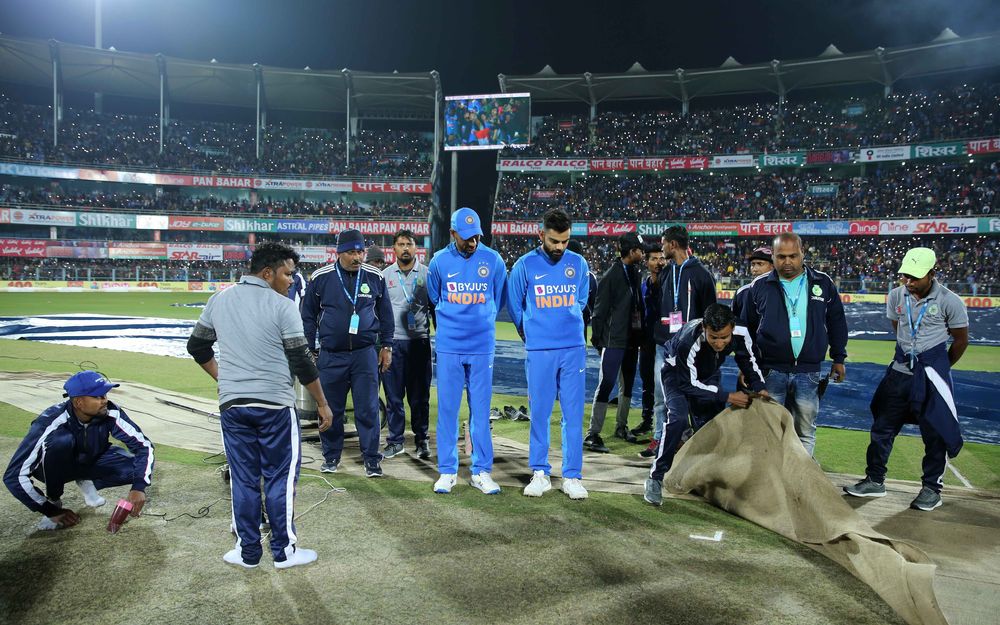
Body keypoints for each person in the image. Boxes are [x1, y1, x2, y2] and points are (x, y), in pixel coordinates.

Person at [186, 241, 333, 569]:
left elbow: (197, 346)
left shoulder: (219, 299)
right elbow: (302, 361)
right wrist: (322, 403)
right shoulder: (283, 307)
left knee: (243, 478)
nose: (292, 281)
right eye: (287, 274)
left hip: (233, 406)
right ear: (267, 273)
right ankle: (284, 552)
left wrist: (223, 379)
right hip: (275, 406)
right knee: (280, 478)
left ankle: (247, 552)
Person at [844, 248, 969, 511]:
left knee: (935, 433)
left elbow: (960, 340)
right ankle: (875, 480)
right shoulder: (896, 295)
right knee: (882, 428)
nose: (908, 282)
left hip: (931, 376)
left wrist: (937, 368)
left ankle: (931, 490)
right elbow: (898, 328)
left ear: (932, 274)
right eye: (905, 276)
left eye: (915, 277)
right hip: (899, 374)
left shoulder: (950, 300)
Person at [643, 304, 767, 506]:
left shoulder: (741, 332)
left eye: (724, 338)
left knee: (710, 427)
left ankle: (704, 477)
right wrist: (726, 396)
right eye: (714, 337)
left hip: (707, 374)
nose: (719, 343)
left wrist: (759, 385)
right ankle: (655, 478)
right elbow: (688, 384)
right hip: (676, 375)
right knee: (677, 418)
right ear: (704, 329)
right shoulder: (687, 341)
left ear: (733, 328)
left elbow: (748, 360)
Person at [739, 232, 848, 456]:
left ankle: (800, 479)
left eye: (793, 256)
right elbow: (744, 331)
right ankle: (773, 478)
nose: (787, 262)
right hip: (771, 370)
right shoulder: (758, 286)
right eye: (781, 257)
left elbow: (837, 321)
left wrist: (839, 358)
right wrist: (747, 368)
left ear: (802, 254)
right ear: (774, 257)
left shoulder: (823, 283)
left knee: (805, 430)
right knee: (769, 428)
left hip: (809, 371)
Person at [507, 209, 590, 500]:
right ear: (541, 234)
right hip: (540, 350)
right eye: (554, 241)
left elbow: (581, 300)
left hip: (573, 350)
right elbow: (515, 306)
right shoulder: (524, 265)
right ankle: (540, 473)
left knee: (572, 414)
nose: (559, 248)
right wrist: (531, 333)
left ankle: (572, 476)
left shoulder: (579, 264)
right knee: (539, 413)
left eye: (565, 241)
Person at [3, 370, 154, 531]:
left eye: (104, 395)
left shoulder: (110, 411)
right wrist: (50, 510)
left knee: (136, 469)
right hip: (53, 467)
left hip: (89, 460)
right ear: (78, 402)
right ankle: (54, 498)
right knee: (61, 441)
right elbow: (14, 476)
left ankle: (85, 479)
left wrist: (138, 487)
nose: (104, 400)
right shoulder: (49, 422)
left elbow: (143, 447)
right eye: (97, 396)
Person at [426, 207, 507, 494]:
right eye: (466, 237)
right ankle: (447, 471)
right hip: (449, 346)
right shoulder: (439, 262)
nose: (472, 242)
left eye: (476, 237)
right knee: (447, 410)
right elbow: (435, 298)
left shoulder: (493, 260)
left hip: (482, 346)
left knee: (481, 412)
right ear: (453, 233)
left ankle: (481, 471)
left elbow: (498, 298)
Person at [301, 229, 394, 478]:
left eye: (360, 251)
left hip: (365, 354)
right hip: (331, 355)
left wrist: (387, 346)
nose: (357, 257)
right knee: (332, 408)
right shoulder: (321, 277)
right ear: (339, 252)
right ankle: (331, 457)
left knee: (368, 407)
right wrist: (310, 349)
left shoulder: (375, 276)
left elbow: (386, 314)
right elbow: (307, 316)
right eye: (351, 252)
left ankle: (372, 459)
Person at [643, 226, 717, 459]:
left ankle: (694, 445)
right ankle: (659, 438)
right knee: (660, 395)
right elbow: (654, 306)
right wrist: (653, 279)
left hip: (691, 348)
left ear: (673, 245)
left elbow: (710, 312)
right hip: (664, 345)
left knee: (693, 396)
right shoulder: (665, 272)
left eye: (663, 243)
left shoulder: (702, 274)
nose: (661, 247)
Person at [585, 232, 645, 452]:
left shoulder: (635, 273)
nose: (643, 253)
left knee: (627, 384)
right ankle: (592, 433)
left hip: (631, 339)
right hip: (613, 340)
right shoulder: (612, 276)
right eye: (640, 250)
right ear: (631, 252)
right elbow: (599, 312)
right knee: (607, 384)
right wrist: (599, 340)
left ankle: (621, 426)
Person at [381, 229, 433, 460]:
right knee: (393, 397)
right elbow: (379, 311)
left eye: (409, 244)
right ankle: (395, 441)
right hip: (393, 345)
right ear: (393, 249)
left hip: (419, 343)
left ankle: (422, 440)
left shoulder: (427, 274)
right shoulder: (384, 276)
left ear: (416, 248)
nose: (405, 248)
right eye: (400, 244)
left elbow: (435, 308)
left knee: (419, 397)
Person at [635, 244, 666, 449]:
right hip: (646, 339)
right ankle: (647, 420)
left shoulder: (669, 282)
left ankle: (662, 429)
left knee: (661, 386)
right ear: (647, 262)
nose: (658, 262)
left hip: (663, 339)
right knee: (647, 380)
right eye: (653, 258)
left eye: (661, 258)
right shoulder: (643, 282)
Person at [567, 239, 597, 344]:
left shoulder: (556, 274)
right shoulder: (590, 277)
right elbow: (594, 304)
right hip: (581, 321)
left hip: (562, 323)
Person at [731, 246, 773, 319]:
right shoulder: (742, 292)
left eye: (760, 264)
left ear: (773, 266)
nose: (755, 269)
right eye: (753, 264)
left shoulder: (784, 289)